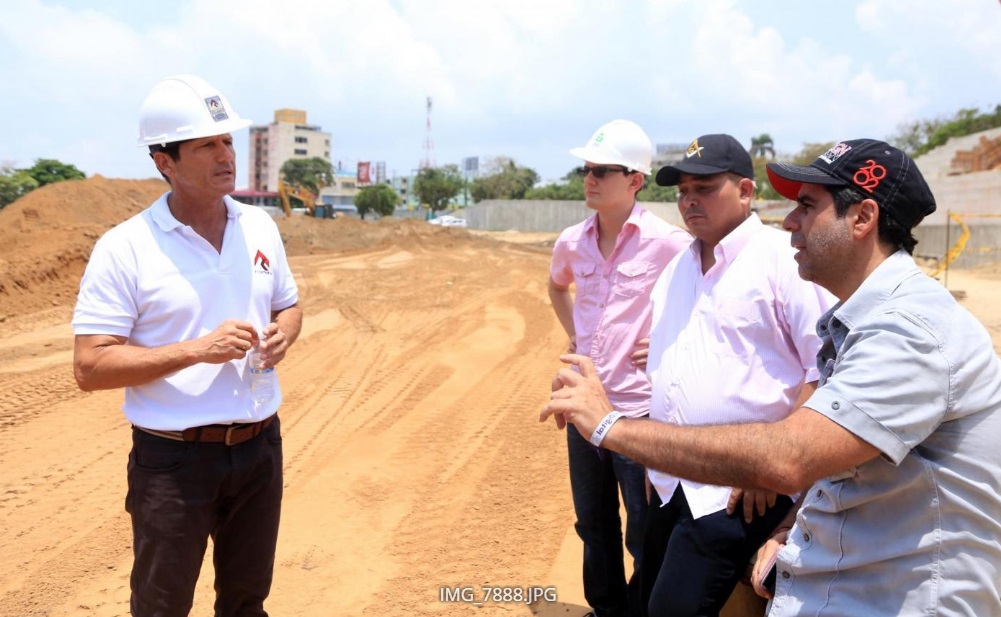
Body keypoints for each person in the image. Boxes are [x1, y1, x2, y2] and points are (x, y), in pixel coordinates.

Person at [543, 139, 1001, 617]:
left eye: (806, 206)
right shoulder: (854, 319)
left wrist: (610, 425)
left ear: (863, 218)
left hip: (890, 594)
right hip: (769, 532)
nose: (789, 221)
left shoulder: (909, 331)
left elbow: (792, 456)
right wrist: (788, 522)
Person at [72, 74, 302, 617]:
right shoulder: (125, 248)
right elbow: (90, 365)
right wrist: (197, 349)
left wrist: (284, 334)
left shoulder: (260, 226)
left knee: (247, 603)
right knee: (161, 607)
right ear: (164, 162)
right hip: (172, 462)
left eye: (228, 141)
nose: (226, 155)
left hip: (259, 448)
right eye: (207, 145)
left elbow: (288, 305)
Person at [611, 133, 834, 617]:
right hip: (673, 483)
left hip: (740, 491)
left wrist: (769, 459)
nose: (690, 200)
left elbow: (826, 369)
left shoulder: (784, 260)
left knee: (675, 608)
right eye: (682, 190)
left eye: (705, 187)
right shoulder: (677, 270)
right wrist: (659, 464)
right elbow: (674, 367)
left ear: (747, 192)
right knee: (645, 595)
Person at [548, 119, 691, 617]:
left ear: (635, 179)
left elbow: (703, 299)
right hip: (584, 403)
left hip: (639, 412)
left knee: (644, 528)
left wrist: (670, 339)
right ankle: (606, 610)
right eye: (586, 169)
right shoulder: (571, 241)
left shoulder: (669, 244)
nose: (589, 179)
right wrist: (577, 337)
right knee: (593, 522)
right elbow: (556, 286)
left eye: (603, 171)